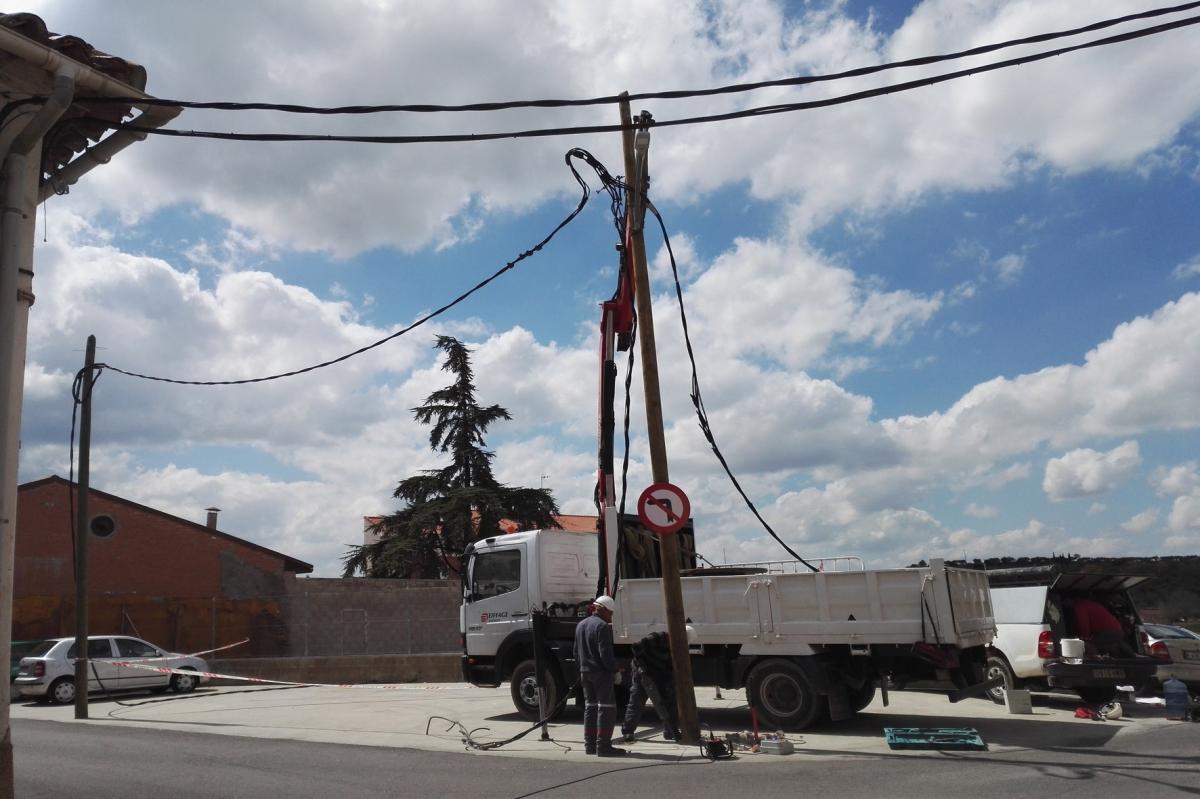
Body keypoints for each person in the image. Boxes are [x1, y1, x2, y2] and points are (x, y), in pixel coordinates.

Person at [573, 595, 625, 756]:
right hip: (600, 674)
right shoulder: (601, 626)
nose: (611, 616)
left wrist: (583, 668)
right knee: (607, 709)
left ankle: (590, 745)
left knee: (591, 707)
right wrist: (615, 671)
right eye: (610, 612)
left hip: (585, 673)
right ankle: (603, 746)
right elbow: (605, 654)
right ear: (602, 609)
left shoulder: (581, 625)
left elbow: (576, 652)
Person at [621, 631, 679, 742]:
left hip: (657, 675)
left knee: (667, 703)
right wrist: (642, 667)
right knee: (636, 703)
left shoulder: (674, 647)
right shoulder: (657, 638)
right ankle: (628, 731)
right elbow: (636, 647)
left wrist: (668, 684)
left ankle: (670, 731)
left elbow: (669, 667)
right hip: (642, 674)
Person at [1070, 596, 1136, 657]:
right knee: (1104, 646)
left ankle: (1095, 665)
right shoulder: (1089, 604)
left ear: (1069, 599)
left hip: (1107, 631)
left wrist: (1084, 638)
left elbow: (1084, 624)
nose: (1065, 604)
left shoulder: (1080, 606)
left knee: (1090, 646)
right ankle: (1119, 649)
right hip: (1117, 630)